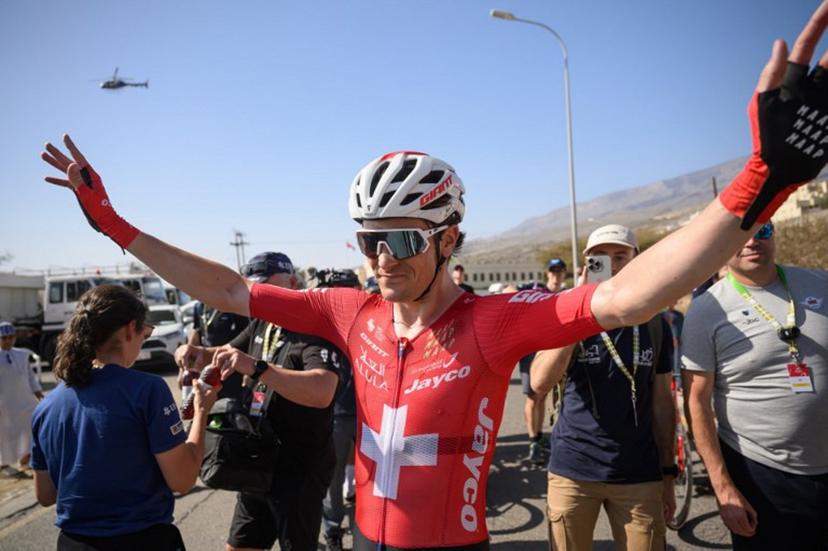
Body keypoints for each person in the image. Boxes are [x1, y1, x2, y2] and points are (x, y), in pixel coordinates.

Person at [40, 8, 828, 547]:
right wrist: (116, 226)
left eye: (401, 238)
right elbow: (227, 290)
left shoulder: (492, 322)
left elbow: (631, 293)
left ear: (449, 238)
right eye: (368, 238)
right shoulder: (350, 312)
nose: (381, 257)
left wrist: (760, 179)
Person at [174, 251, 343, 551]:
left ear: (293, 283)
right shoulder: (263, 322)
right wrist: (196, 354)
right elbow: (224, 353)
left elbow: (322, 390)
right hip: (257, 459)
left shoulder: (315, 326)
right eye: (252, 289)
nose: (257, 296)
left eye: (265, 287)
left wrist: (257, 368)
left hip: (299, 467)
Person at [29, 285, 219, 551]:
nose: (143, 340)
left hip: (73, 543)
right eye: (145, 333)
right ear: (130, 329)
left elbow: (46, 495)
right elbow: (183, 479)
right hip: (142, 540)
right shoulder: (147, 390)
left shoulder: (46, 406)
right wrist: (201, 411)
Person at [681, 221, 828, 550]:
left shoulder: (820, 284)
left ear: (773, 233)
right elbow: (696, 402)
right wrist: (722, 486)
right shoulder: (706, 310)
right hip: (762, 473)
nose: (751, 242)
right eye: (740, 236)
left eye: (762, 231)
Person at [530, 226, 676, 550]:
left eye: (620, 256)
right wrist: (578, 313)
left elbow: (662, 403)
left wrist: (668, 473)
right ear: (586, 265)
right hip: (573, 471)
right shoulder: (564, 311)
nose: (611, 265)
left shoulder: (655, 321)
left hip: (638, 473)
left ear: (637, 260)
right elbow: (539, 383)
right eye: (600, 258)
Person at [316, 270, 361, 551]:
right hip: (337, 416)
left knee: (375, 478)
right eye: (340, 290)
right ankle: (333, 530)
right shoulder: (324, 325)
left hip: (372, 415)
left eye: (350, 289)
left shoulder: (375, 318)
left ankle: (370, 532)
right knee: (332, 478)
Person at [518, 257, 569, 465]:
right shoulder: (535, 290)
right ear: (547, 273)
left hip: (553, 353)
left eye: (559, 271)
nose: (556, 274)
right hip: (531, 352)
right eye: (553, 271)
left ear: (564, 273)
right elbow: (508, 291)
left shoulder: (567, 295)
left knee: (543, 396)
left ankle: (539, 436)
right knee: (532, 397)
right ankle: (533, 441)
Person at [0, 321, 43, 478]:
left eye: (11, 337)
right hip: (4, 403)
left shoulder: (22, 355)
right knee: (4, 432)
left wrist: (38, 393)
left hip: (25, 400)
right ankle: (4, 461)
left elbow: (30, 376)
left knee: (27, 428)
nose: (8, 341)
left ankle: (25, 456)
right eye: (4, 338)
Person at [186, 297, 249, 400]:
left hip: (231, 370)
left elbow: (248, 339)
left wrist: (248, 374)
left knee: (231, 404)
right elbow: (196, 335)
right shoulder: (199, 306)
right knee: (209, 403)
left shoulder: (234, 305)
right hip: (208, 370)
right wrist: (188, 368)